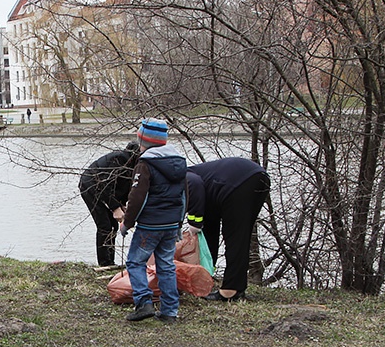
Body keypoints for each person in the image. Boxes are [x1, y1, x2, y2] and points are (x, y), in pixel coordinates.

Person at [119, 118, 186, 323]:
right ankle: (169, 311)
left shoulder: (145, 164)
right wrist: (179, 223)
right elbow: (185, 195)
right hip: (171, 223)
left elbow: (137, 196)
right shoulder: (179, 162)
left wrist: (127, 223)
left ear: (143, 140)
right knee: (166, 265)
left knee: (135, 261)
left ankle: (143, 302)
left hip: (150, 225)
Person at [185, 157, 270, 302]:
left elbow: (194, 183)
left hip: (239, 181)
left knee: (236, 237)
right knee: (239, 236)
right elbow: (209, 236)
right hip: (255, 177)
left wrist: (194, 222)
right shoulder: (208, 194)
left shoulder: (180, 177)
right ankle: (235, 287)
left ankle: (230, 291)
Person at [78, 141, 141, 267]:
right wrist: (115, 207)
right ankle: (104, 264)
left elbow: (123, 187)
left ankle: (110, 262)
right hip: (90, 186)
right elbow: (104, 185)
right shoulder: (118, 160)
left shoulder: (132, 167)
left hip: (104, 191)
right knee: (104, 226)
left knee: (113, 226)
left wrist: (122, 205)